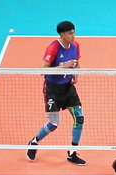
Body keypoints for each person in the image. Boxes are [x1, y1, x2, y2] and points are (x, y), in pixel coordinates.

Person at [26, 21, 86, 165]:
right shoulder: (53, 48)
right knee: (53, 124)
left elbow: (77, 63)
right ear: (62, 35)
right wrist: (64, 66)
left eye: (74, 32)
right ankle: (34, 142)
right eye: (70, 33)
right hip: (53, 90)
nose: (73, 35)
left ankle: (72, 152)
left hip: (68, 88)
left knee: (79, 118)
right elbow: (42, 70)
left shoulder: (75, 46)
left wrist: (75, 73)